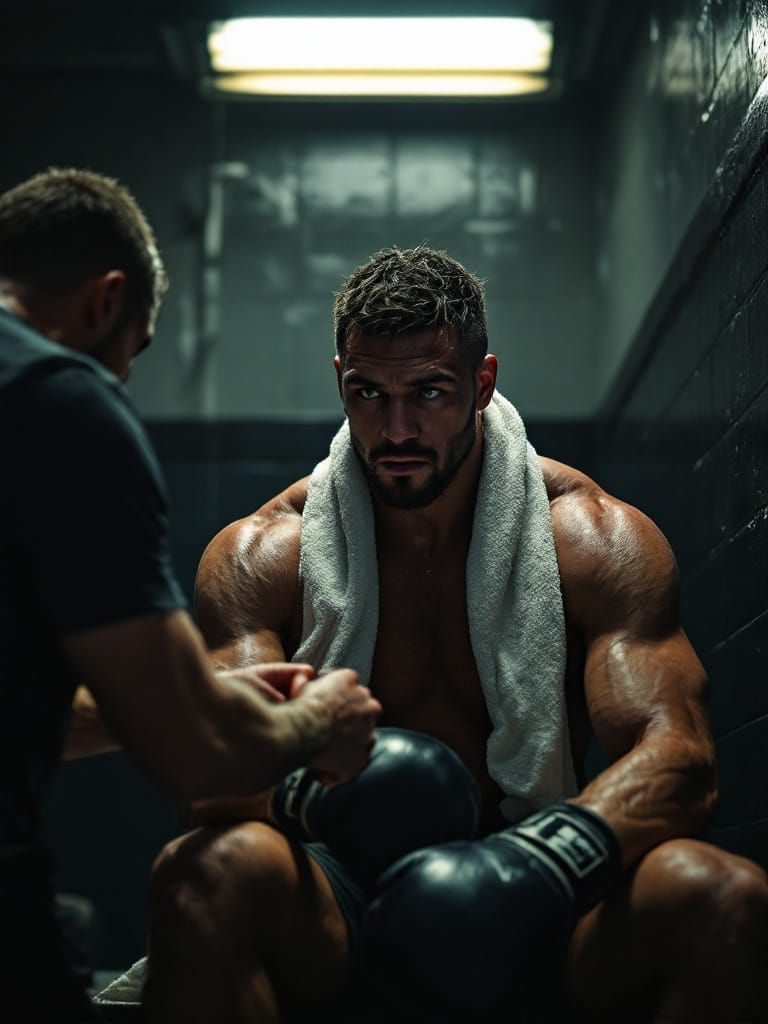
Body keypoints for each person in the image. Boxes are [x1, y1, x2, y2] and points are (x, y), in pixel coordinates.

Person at [148, 246, 768, 1023]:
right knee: (204, 871)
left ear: (482, 384)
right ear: (340, 380)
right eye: (367, 393)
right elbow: (206, 767)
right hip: (342, 895)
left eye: (430, 392)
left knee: (721, 894)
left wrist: (531, 868)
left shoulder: (592, 539)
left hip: (538, 886)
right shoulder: (265, 555)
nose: (396, 426)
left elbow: (681, 760)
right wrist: (327, 801)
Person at [0, 169, 380, 1021]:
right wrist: (319, 721)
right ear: (107, 302)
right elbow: (194, 758)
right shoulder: (61, 404)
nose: (121, 382)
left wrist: (194, 694)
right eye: (132, 353)